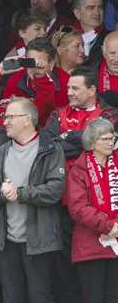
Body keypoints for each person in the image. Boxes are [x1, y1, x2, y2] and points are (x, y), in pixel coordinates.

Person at [0, 97, 65, 303]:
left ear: (28, 119)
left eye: (11, 117)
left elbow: (54, 190)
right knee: (11, 297)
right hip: (6, 241)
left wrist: (20, 193)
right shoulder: (1, 151)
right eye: (5, 116)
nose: (5, 121)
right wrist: (1, 193)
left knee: (40, 296)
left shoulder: (51, 150)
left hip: (39, 241)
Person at [67, 118, 118, 303]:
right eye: (105, 139)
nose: (110, 142)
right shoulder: (79, 169)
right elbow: (78, 207)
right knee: (93, 297)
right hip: (90, 247)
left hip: (116, 246)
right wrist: (108, 226)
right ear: (92, 142)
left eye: (112, 138)